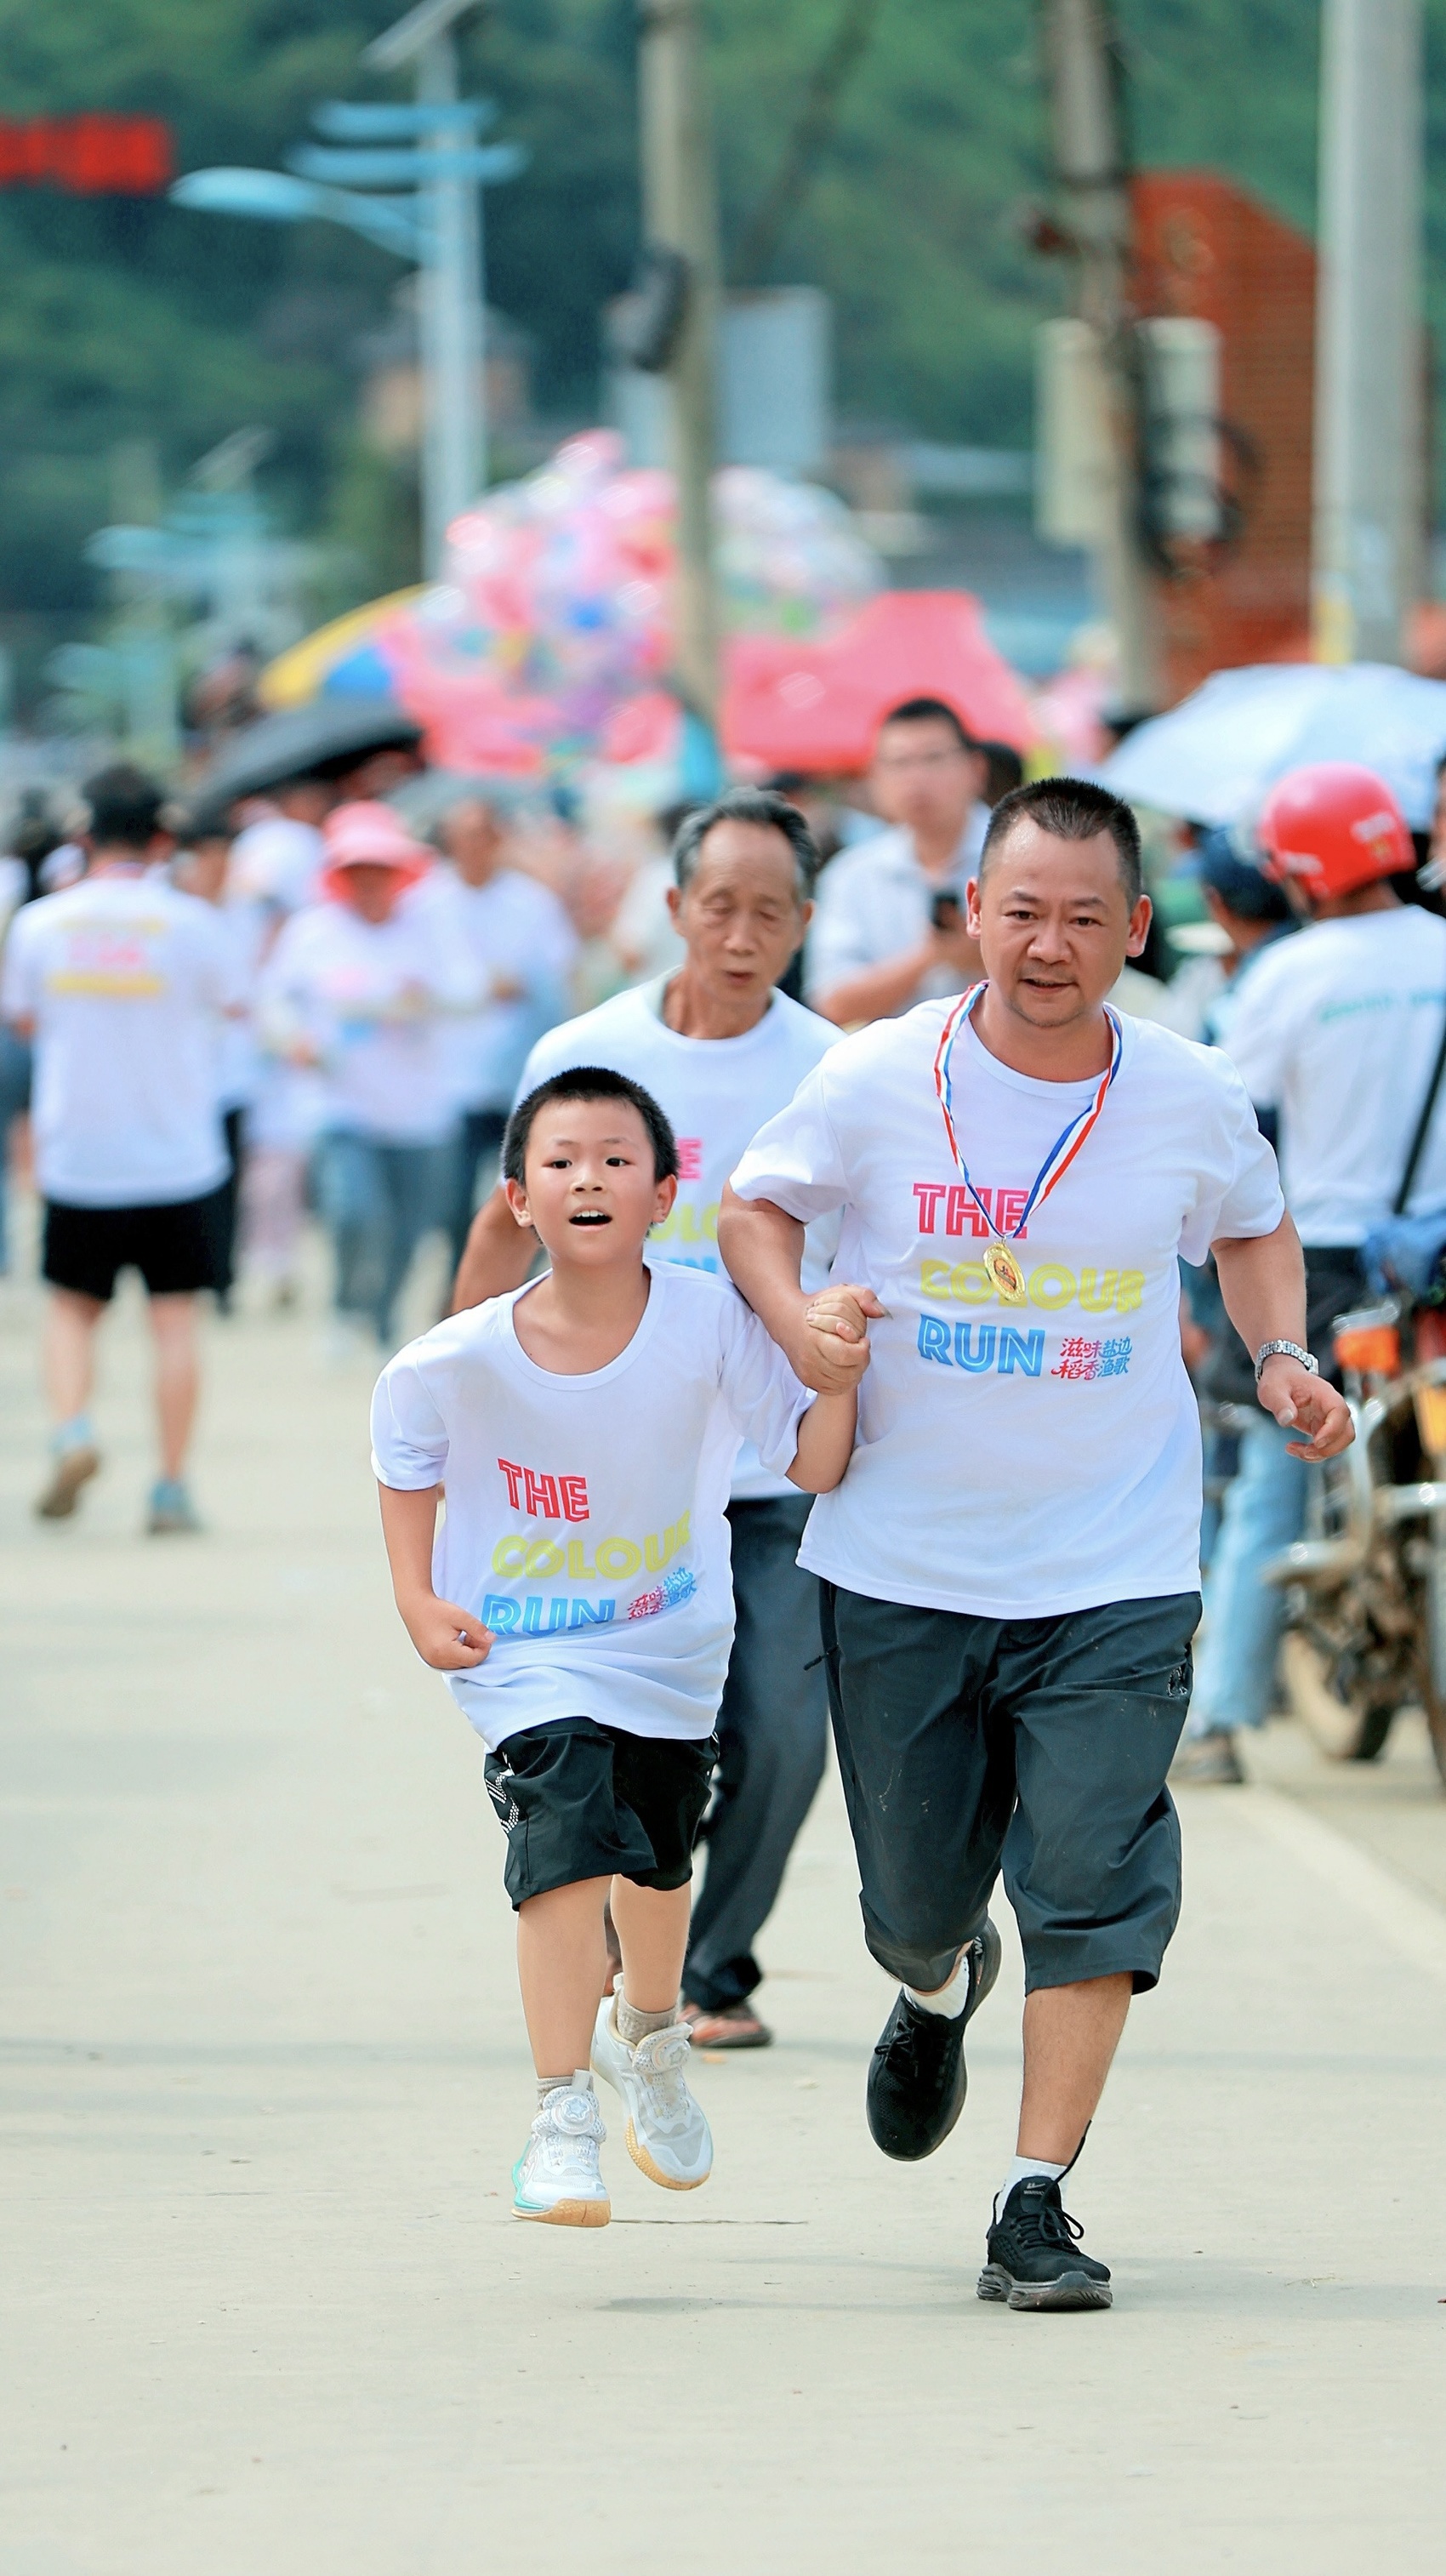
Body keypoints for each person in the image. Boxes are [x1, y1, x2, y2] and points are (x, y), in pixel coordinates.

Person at [720, 773, 1352, 2311]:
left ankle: (1034, 2196)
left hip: (1115, 1565)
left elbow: (1253, 1225)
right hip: (902, 1565)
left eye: (1083, 917)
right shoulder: (877, 1074)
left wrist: (1278, 1353)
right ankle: (936, 1983)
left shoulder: (1192, 1090)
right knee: (915, 1899)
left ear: (1135, 927)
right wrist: (797, 1319)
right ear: (971, 914)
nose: (1049, 945)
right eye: (1021, 912)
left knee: (1091, 1874)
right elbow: (754, 1208)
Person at [371, 1067, 857, 2224]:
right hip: (525, 1651)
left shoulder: (711, 1322)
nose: (587, 1177)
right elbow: (403, 1455)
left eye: (615, 1159)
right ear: (518, 1198)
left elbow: (812, 1461)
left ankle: (648, 2035)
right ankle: (559, 2116)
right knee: (566, 1838)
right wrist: (415, 1597)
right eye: (560, 1161)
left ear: (663, 1193)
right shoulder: (458, 1357)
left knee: (658, 1858)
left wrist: (837, 1377)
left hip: (670, 1646)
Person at [450, 786, 840, 2048]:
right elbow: (503, 1225)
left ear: (803, 923)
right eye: (718, 906)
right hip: (607, 1472)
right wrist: (463, 1404)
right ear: (673, 906)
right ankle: (627, 1941)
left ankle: (713, 1966)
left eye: (769, 912)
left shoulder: (833, 1069)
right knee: (610, 1729)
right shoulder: (585, 1053)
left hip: (769, 1470)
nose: (740, 934)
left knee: (782, 1725)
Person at [1179, 763, 1446, 1782]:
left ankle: (1218, 1719)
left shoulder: (1286, 973)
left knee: (1276, 1467)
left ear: (1297, 872)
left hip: (1327, 1253)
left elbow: (1228, 1113)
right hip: (1436, 1244)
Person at [1, 762, 247, 1532]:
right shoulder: (193, 922)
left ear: (84, 835)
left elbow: (23, 1020)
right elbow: (233, 1004)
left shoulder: (42, 923)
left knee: (72, 1309)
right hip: (179, 1153)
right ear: (164, 838)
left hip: (81, 1151)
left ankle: (74, 1429)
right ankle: (170, 1487)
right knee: (173, 1322)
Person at [259, 802, 475, 1351]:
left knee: (410, 1227)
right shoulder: (314, 932)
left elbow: (472, 990)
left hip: (420, 1110)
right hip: (342, 1104)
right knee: (355, 1211)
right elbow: (275, 1001)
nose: (370, 883)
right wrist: (294, 1040)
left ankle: (381, 1315)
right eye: (358, 871)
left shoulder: (431, 927)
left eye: (381, 870)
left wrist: (429, 996)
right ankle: (344, 1307)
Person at [424, 792, 579, 1273]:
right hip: (447, 1076)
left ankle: (515, 1288)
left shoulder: (530, 903)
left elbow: (559, 973)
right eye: (462, 837)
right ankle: (461, 1285)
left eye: (481, 836)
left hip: (518, 1074)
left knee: (522, 1192)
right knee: (452, 1198)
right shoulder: (426, 902)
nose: (472, 847)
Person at [805, 697, 990, 1026]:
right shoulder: (851, 875)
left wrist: (978, 957)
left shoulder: (1020, 858)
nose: (917, 778)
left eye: (933, 758)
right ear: (875, 778)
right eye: (900, 763)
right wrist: (931, 956)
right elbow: (833, 1000)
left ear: (975, 769)